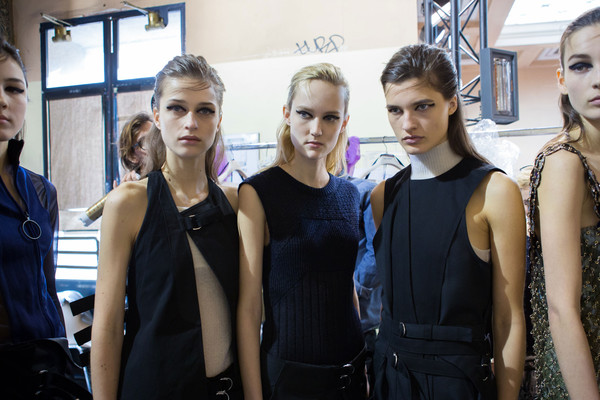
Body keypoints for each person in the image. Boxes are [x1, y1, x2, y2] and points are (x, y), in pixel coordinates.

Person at [371, 44, 526, 399]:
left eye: (422, 106)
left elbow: (509, 318)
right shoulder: (383, 196)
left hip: (458, 384)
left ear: (452, 103)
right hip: (390, 380)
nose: (407, 123)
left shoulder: (495, 191)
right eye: (395, 110)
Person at [91, 54, 241, 400]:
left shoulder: (235, 203)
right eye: (177, 108)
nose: (191, 122)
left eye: (205, 110)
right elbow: (108, 327)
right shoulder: (128, 203)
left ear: (218, 119)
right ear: (157, 115)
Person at [237, 63, 367, 400]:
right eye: (305, 114)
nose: (316, 129)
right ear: (287, 114)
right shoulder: (258, 192)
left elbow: (347, 286)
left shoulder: (349, 194)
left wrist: (364, 369)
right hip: (290, 379)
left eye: (330, 117)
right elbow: (249, 309)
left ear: (344, 122)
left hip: (350, 372)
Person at [529, 7, 600, 399]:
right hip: (586, 370)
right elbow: (561, 309)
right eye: (581, 66)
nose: (597, 79)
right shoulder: (565, 164)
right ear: (562, 79)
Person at [117, 111, 152, 183]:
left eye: (156, 137)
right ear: (132, 156)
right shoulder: (133, 186)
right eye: (144, 142)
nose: (155, 144)